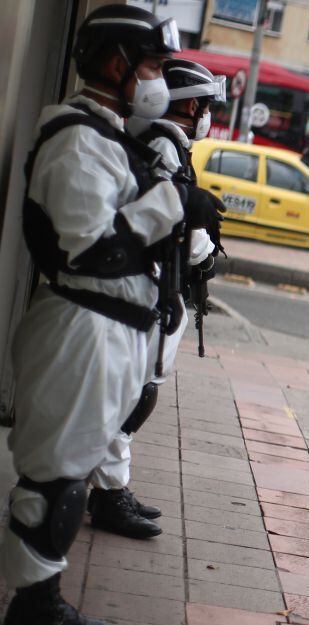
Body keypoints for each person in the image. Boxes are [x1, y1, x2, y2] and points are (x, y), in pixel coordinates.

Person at [0, 6, 188, 624]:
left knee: (69, 474)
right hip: (81, 328)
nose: (160, 79)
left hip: (107, 331)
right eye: (155, 66)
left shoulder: (108, 137)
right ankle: (35, 609)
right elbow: (92, 248)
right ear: (118, 64)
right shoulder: (77, 139)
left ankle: (40, 602)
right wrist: (169, 205)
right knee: (54, 482)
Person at [83, 58, 226, 541]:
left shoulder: (167, 141)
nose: (208, 114)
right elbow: (169, 210)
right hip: (156, 281)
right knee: (136, 392)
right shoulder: (164, 142)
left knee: (135, 390)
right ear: (189, 103)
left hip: (159, 281)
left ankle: (110, 488)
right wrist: (203, 252)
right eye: (205, 104)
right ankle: (106, 493)